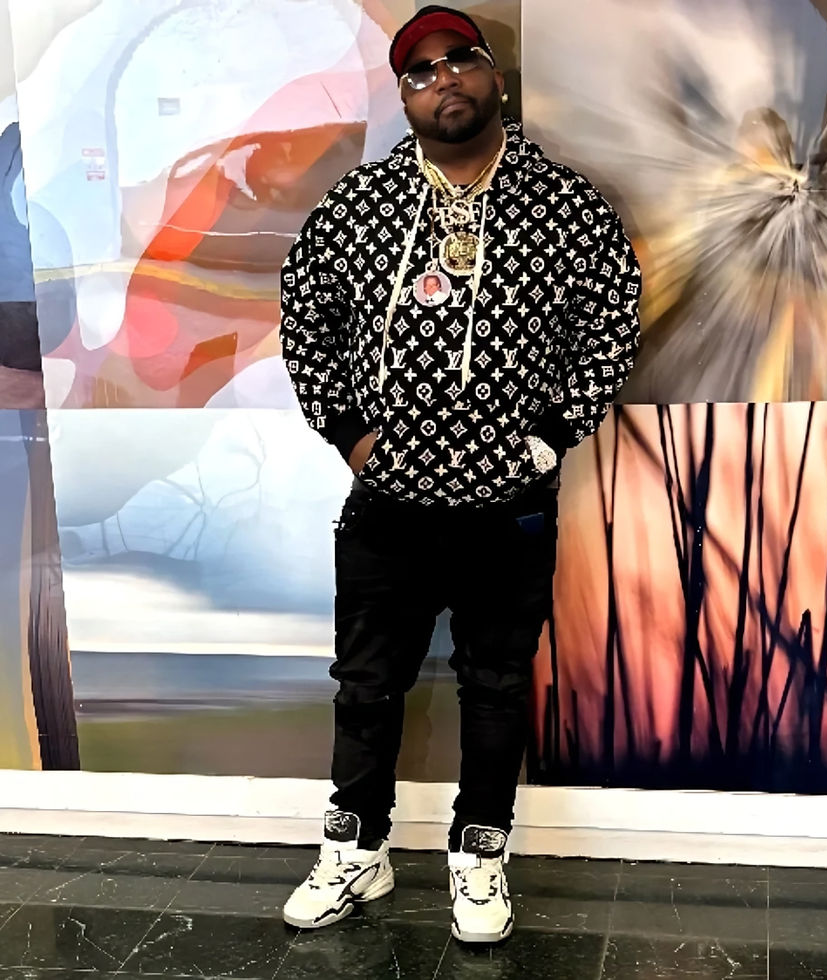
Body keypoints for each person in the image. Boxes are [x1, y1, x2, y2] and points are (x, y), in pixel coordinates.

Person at [279, 4, 641, 944]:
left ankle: (480, 856)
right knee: (366, 685)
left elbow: (612, 320)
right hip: (388, 505)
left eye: (459, 61)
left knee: (497, 685)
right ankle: (357, 849)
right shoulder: (358, 205)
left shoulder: (567, 205)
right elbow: (306, 318)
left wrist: (552, 434)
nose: (443, 80)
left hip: (508, 505)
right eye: (420, 72)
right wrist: (351, 434)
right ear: (404, 99)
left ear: (495, 78)